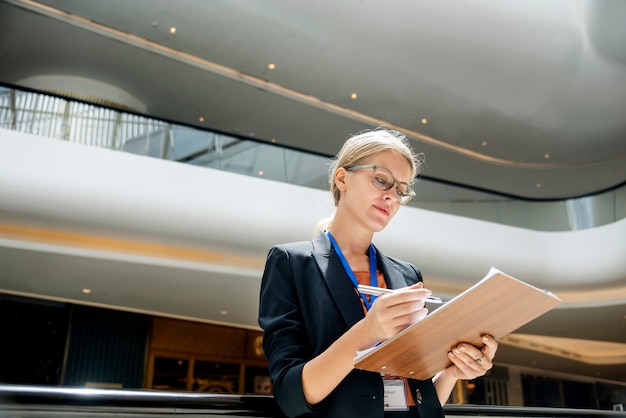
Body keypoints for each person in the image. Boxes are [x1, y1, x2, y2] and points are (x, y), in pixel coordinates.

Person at [258, 128, 498, 417]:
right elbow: (291, 395)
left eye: (401, 190)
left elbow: (417, 392)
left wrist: (452, 372)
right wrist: (366, 333)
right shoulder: (291, 262)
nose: (392, 198)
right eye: (382, 180)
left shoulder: (407, 274)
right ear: (342, 178)